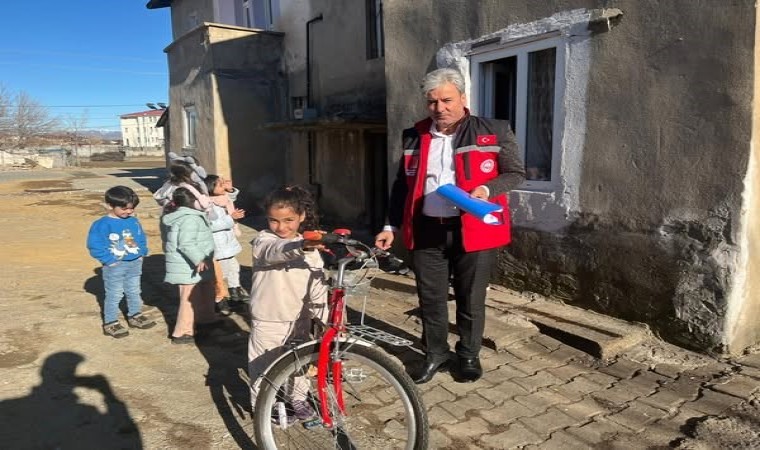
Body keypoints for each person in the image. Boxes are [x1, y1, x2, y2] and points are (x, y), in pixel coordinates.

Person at [375, 67, 525, 384]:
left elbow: (515, 173)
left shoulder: (494, 130)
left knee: (471, 299)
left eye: (446, 100)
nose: (439, 108)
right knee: (431, 299)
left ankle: (468, 355)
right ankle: (436, 354)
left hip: (474, 228)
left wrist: (486, 190)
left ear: (462, 97)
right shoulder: (413, 135)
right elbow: (402, 185)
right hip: (427, 228)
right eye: (432, 102)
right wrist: (390, 226)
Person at [248, 185, 328, 421]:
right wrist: (299, 247)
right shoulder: (264, 240)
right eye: (274, 220)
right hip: (267, 319)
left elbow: (317, 287)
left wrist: (326, 321)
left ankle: (298, 399)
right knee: (263, 365)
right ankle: (264, 404)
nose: (281, 227)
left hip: (300, 319)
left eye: (288, 220)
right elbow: (274, 251)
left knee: (300, 364)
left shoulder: (311, 248)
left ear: (301, 216)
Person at [87, 185, 156, 338]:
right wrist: (109, 260)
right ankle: (110, 322)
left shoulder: (133, 221)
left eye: (131, 208)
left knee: (134, 291)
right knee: (114, 294)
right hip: (115, 266)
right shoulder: (101, 224)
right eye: (124, 208)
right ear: (110, 205)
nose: (129, 212)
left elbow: (140, 237)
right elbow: (94, 245)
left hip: (135, 263)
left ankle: (135, 315)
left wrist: (142, 252)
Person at [160, 187, 217, 344]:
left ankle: (205, 320)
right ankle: (182, 332)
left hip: (198, 265)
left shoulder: (191, 216)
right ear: (194, 201)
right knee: (188, 299)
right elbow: (186, 244)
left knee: (205, 293)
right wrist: (198, 258)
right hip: (189, 267)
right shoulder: (189, 218)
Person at [204, 174, 248, 316]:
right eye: (219, 184)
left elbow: (232, 197)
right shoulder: (206, 205)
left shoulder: (223, 199)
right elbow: (210, 225)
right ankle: (220, 299)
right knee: (220, 274)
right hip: (218, 244)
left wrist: (229, 188)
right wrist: (231, 218)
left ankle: (235, 293)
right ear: (211, 187)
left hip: (228, 241)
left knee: (234, 268)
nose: (223, 186)